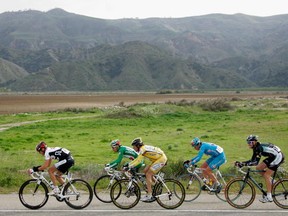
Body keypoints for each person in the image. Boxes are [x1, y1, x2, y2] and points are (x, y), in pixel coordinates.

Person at [235, 135, 285, 203]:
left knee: (267, 175)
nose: (248, 144)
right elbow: (252, 160)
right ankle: (272, 182)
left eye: (250, 142)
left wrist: (243, 164)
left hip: (278, 157)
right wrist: (242, 163)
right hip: (272, 156)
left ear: (255, 142)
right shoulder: (256, 148)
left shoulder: (259, 148)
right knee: (259, 168)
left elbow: (255, 162)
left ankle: (269, 197)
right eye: (248, 142)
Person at [125, 137, 167, 202]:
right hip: (156, 159)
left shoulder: (142, 149)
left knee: (148, 174)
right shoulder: (143, 148)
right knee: (145, 171)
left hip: (161, 159)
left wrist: (130, 166)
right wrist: (129, 164)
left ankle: (149, 195)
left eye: (134, 146)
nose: (133, 148)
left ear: (138, 145)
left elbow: (138, 161)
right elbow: (137, 159)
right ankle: (157, 186)